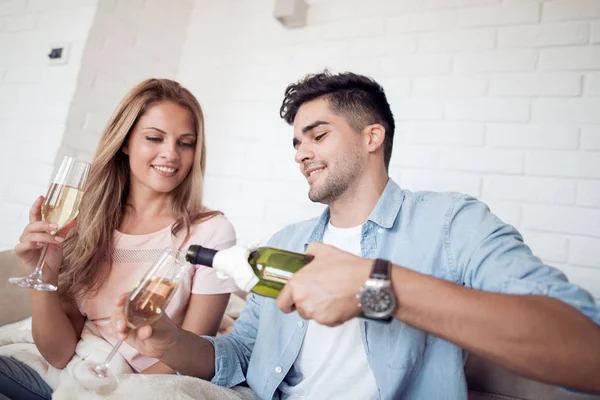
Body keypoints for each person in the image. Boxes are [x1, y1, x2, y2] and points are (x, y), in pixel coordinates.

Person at [110, 72, 600, 399]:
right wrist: (170, 344)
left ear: (372, 137)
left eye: (318, 135)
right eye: (296, 142)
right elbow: (240, 356)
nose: (301, 153)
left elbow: (586, 350)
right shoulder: (286, 242)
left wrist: (375, 286)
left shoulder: (451, 224)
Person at [0, 79, 239, 400]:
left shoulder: (210, 232)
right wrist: (45, 273)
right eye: (154, 138)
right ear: (125, 142)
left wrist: (108, 394)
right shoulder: (86, 220)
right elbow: (58, 353)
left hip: (146, 386)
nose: (170, 154)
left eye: (186, 143)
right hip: (77, 368)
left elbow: (192, 355)